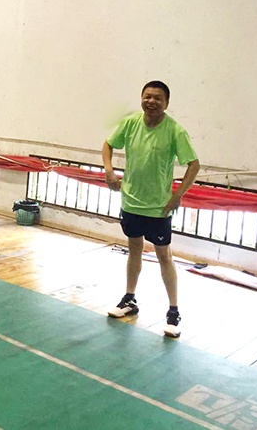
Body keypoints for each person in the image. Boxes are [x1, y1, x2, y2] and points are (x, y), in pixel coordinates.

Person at [102, 80, 199, 338]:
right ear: (141, 98)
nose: (151, 101)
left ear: (166, 103)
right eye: (147, 96)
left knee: (163, 256)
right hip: (131, 202)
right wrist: (109, 171)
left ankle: (173, 312)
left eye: (157, 98)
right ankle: (129, 299)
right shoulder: (130, 123)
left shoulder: (175, 131)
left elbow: (194, 164)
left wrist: (178, 195)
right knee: (134, 248)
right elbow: (108, 144)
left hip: (159, 207)